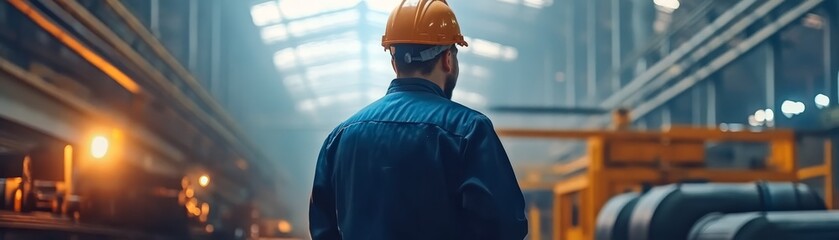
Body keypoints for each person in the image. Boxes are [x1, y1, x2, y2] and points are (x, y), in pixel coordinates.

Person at [309, 0, 528, 239]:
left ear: (394, 62)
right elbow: (504, 227)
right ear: (448, 59)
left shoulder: (340, 138)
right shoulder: (469, 130)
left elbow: (323, 229)